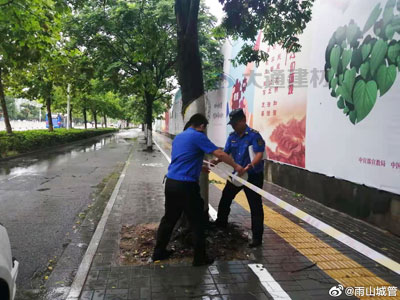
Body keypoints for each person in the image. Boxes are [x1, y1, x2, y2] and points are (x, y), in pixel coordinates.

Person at [152, 113, 245, 266]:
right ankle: (199, 258)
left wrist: (200, 167)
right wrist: (236, 167)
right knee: (197, 221)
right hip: (187, 187)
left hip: (171, 183)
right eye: (204, 128)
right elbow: (220, 153)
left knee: (169, 219)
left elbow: (183, 159)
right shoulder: (198, 135)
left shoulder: (179, 137)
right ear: (201, 126)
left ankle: (158, 252)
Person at [211, 108, 266, 247]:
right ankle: (221, 225)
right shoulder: (232, 136)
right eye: (232, 124)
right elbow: (225, 152)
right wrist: (216, 161)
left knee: (255, 206)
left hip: (253, 176)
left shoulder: (254, 136)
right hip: (237, 175)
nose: (234, 126)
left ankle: (257, 238)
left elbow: (259, 153)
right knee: (225, 198)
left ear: (243, 120)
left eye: (236, 123)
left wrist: (250, 166)